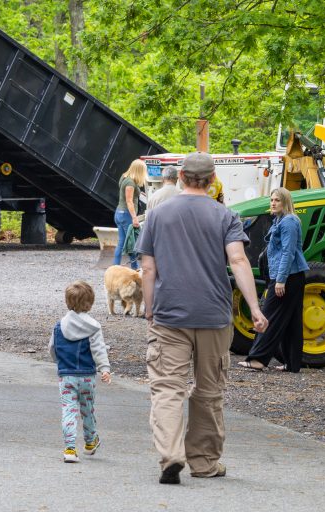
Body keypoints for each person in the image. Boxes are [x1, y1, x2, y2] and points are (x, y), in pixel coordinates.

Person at [136, 152, 267, 485]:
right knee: (208, 390)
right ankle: (205, 462)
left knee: (167, 388)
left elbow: (148, 268)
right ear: (212, 181)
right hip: (213, 314)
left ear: (180, 176)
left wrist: (149, 307)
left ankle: (171, 455)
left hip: (169, 313)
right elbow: (238, 261)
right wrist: (254, 308)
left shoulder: (157, 214)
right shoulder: (225, 216)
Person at [238, 188, 309, 373]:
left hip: (287, 277)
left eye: (277, 200)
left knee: (268, 316)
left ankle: (258, 359)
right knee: (292, 321)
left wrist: (280, 280)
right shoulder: (280, 220)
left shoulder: (289, 222)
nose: (273, 203)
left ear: (285, 202)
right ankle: (292, 364)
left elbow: (288, 252)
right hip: (288, 276)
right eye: (271, 200)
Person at [48, 280, 112, 463]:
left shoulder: (59, 326)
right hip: (87, 377)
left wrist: (58, 362)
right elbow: (99, 349)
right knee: (87, 409)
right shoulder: (93, 327)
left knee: (68, 410)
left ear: (67, 301)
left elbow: (52, 348)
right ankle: (91, 441)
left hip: (66, 376)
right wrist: (104, 369)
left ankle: (69, 448)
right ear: (90, 303)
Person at [114, 159, 146, 269]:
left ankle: (117, 267)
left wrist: (139, 193)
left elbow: (126, 193)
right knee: (132, 242)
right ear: (139, 170)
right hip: (126, 214)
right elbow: (129, 201)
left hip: (119, 213)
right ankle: (134, 267)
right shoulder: (130, 183)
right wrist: (134, 218)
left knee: (123, 242)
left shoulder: (125, 177)